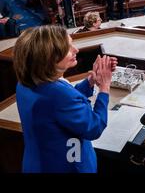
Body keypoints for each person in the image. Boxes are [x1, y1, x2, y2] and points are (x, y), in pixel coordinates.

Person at [15, 25, 117, 172]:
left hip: (38, 162)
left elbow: (61, 106)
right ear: (49, 57)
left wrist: (90, 81)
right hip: (68, 166)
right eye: (68, 48)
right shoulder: (59, 94)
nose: (76, 50)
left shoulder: (26, 83)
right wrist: (104, 88)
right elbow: (94, 127)